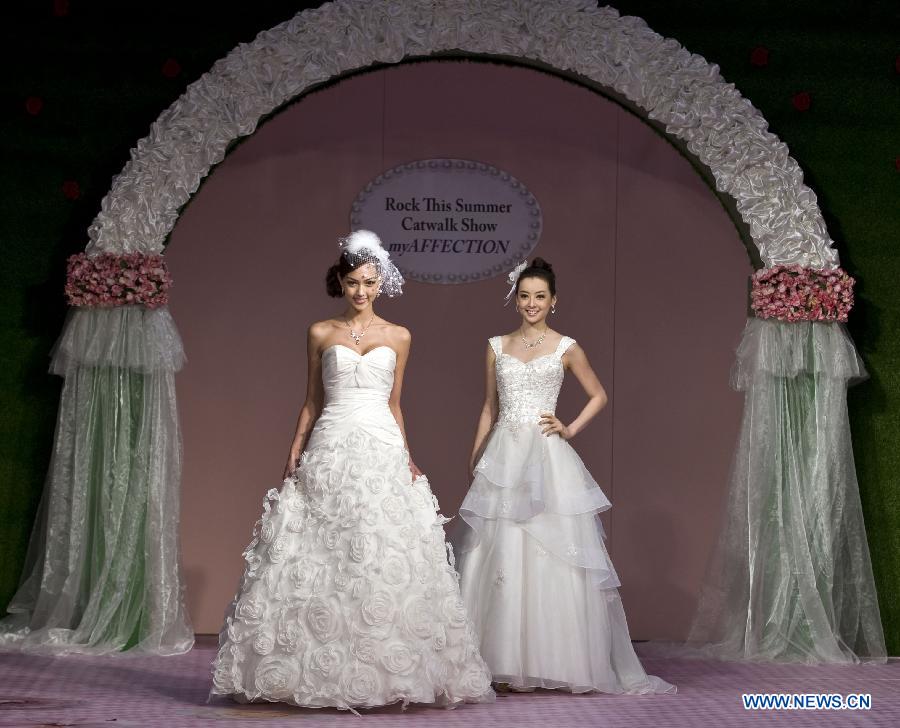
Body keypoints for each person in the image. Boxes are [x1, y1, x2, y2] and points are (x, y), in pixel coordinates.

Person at [210, 231, 494, 712]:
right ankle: (312, 668)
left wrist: (405, 455)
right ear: (339, 283)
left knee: (379, 550)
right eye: (351, 282)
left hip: (380, 445)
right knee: (322, 551)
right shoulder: (320, 332)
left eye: (368, 282)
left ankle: (384, 671)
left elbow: (396, 404)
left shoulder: (400, 335)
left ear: (381, 282)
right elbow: (312, 400)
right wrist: (296, 445)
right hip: (330, 441)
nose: (360, 291)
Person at [454, 257, 675, 695]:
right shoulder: (496, 345)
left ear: (553, 301)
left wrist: (568, 428)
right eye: (524, 295)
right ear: (514, 299)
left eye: (540, 296)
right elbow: (489, 407)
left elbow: (598, 395)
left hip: (547, 460)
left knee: (550, 553)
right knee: (501, 554)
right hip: (503, 456)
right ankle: (500, 660)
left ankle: (552, 660)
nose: (531, 303)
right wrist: (475, 456)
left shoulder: (566, 346)